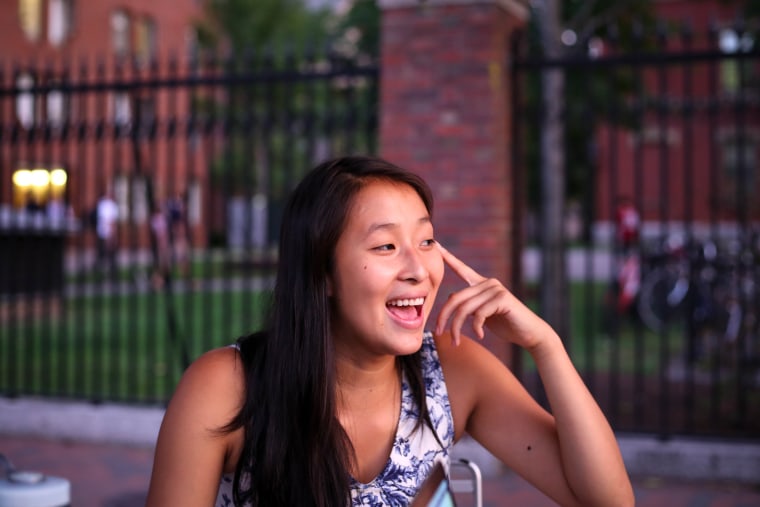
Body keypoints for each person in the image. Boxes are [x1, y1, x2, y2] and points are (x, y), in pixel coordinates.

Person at [146, 156, 634, 507]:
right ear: (322, 274)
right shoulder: (227, 386)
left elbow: (608, 501)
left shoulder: (453, 371)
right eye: (385, 247)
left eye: (425, 241)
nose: (419, 269)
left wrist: (545, 345)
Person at [95, 189, 119, 278]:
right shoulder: (104, 204)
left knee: (111, 254)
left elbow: (113, 221)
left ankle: (112, 272)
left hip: (107, 232)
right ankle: (100, 271)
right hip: (104, 232)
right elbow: (109, 220)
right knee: (103, 252)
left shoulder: (111, 205)